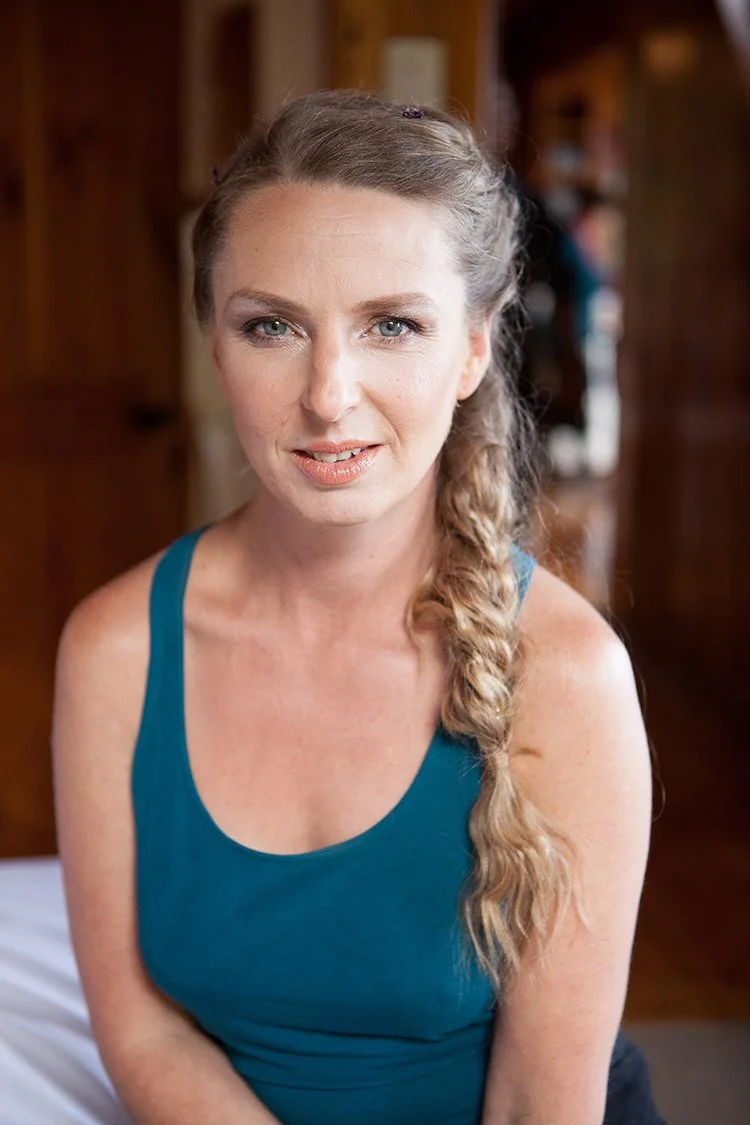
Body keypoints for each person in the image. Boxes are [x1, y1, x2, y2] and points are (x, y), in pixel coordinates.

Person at [52, 90, 662, 1125]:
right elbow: (146, 1031)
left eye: (392, 325)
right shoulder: (117, 651)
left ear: (472, 349)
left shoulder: (568, 676)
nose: (328, 395)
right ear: (215, 346)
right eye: (272, 326)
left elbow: (537, 1104)